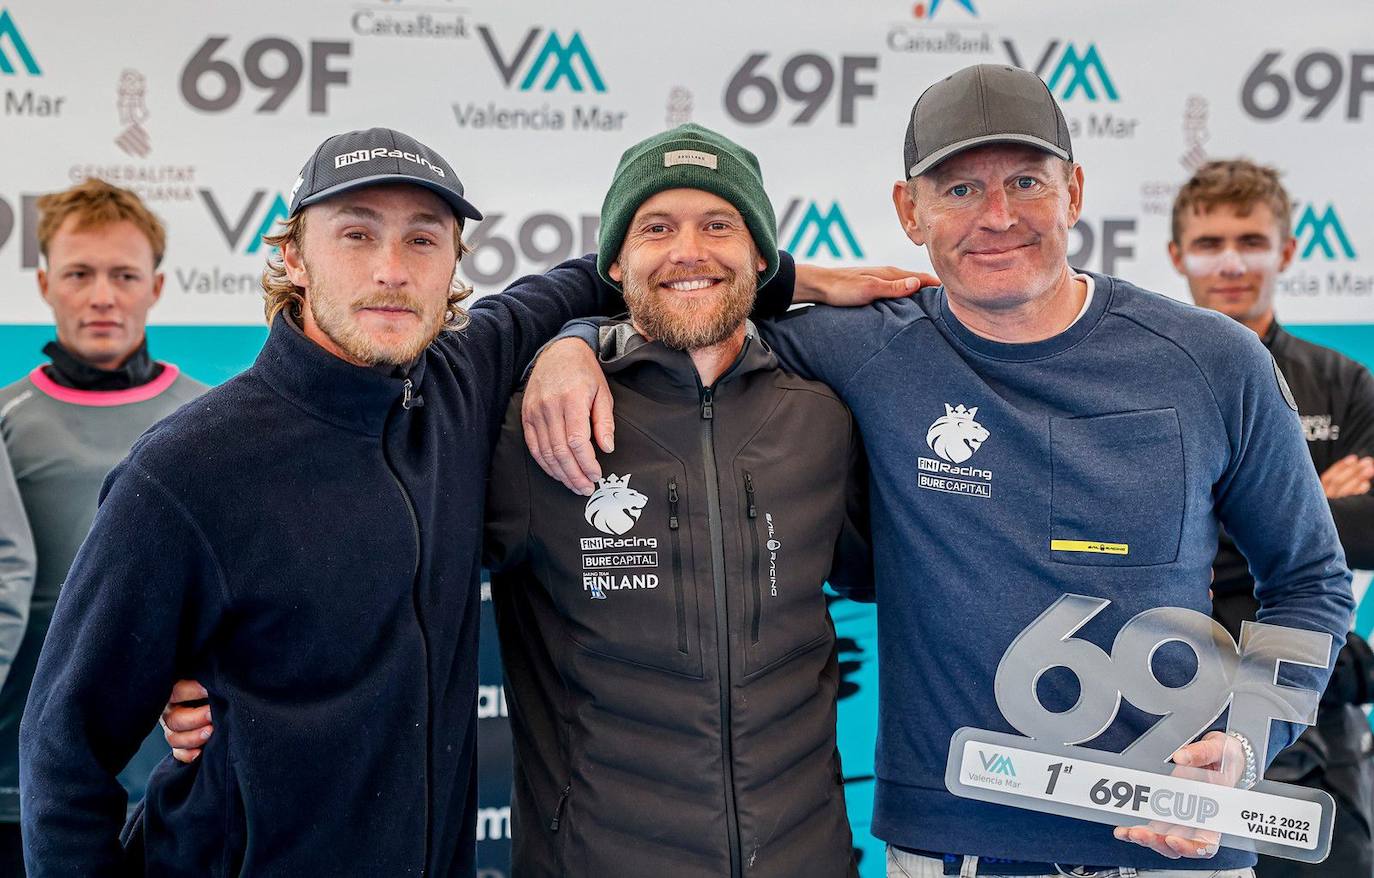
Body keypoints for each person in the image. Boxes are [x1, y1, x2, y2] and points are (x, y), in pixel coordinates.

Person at [521, 64, 1354, 877]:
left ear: (1075, 193)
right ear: (907, 211)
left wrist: (1247, 739)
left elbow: (1311, 581)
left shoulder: (1215, 361)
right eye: (958, 190)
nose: (996, 217)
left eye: (1026, 182)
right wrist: (574, 340)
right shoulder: (861, 348)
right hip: (948, 850)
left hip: (1176, 851)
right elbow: (693, 300)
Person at [162, 125, 932, 876]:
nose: (688, 250)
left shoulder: (824, 416)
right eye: (655, 227)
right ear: (617, 264)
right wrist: (229, 679)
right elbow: (381, 579)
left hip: (810, 857)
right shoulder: (531, 427)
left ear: (762, 257)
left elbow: (917, 567)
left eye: (719, 224)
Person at [17, 127, 639, 877]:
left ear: (454, 267)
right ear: (293, 259)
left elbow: (609, 271)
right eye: (355, 234)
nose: (391, 270)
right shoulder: (187, 470)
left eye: (422, 239)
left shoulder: (459, 381)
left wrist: (572, 341)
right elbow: (64, 753)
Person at [1169, 158, 1374, 878]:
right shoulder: (1147, 378)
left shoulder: (1343, 383)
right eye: (1210, 242)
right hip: (1172, 712)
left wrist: (1219, 518)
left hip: (1322, 709)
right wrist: (1307, 499)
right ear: (1175, 257)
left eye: (1251, 240)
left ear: (1287, 252)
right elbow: (1133, 535)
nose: (1231, 262)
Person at [0, 179, 206, 875]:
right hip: (21, 783)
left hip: (177, 778)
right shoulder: (6, 419)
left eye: (123, 275)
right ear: (44, 283)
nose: (102, 296)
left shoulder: (210, 421)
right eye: (79, 274)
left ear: (156, 285)